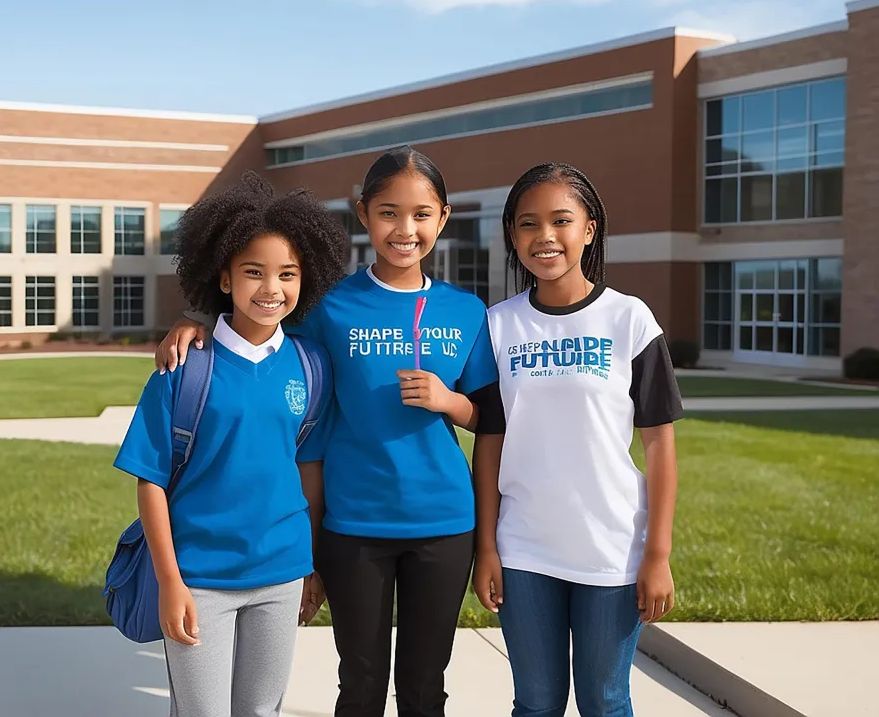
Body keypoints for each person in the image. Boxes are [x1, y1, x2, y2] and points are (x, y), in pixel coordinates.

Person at [155, 146, 499, 717]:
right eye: (389, 212)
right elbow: (258, 313)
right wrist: (193, 321)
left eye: (420, 214)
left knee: (424, 686)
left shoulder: (466, 312)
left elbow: (492, 420)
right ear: (361, 214)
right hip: (353, 522)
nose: (404, 229)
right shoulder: (328, 304)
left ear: (443, 217)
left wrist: (452, 402)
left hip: (443, 521)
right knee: (360, 683)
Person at [112, 171, 349, 717]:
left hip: (281, 573)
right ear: (224, 278)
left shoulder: (311, 365)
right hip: (200, 578)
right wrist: (170, 582)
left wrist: (311, 565)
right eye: (254, 272)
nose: (272, 289)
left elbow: (308, 470)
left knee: (261, 712)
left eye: (287, 274)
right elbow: (151, 482)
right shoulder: (183, 367)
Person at [470, 162, 683, 717]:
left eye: (561, 221)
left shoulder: (630, 320)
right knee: (536, 704)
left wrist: (656, 554)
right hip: (524, 550)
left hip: (611, 549)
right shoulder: (498, 326)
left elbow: (660, 447)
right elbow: (489, 442)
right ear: (513, 237)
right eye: (527, 224)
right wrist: (487, 547)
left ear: (589, 229)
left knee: (605, 702)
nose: (545, 237)